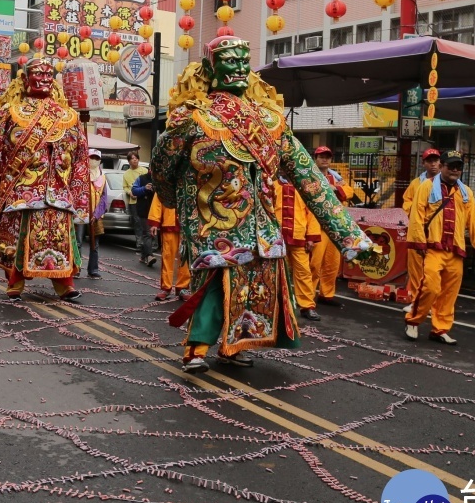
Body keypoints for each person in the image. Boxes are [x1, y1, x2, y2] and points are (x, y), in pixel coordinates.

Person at [150, 35, 370, 373]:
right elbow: (163, 168)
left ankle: (235, 346)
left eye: (243, 59)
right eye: (229, 59)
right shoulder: (194, 118)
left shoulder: (270, 123)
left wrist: (348, 235)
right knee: (214, 287)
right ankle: (196, 348)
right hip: (214, 225)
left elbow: (309, 178)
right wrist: (181, 206)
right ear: (211, 66)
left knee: (254, 290)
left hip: (262, 228)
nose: (238, 66)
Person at [0, 56, 90, 303]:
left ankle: (65, 283)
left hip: (59, 192)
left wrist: (80, 199)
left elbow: (81, 160)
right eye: (38, 73)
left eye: (48, 74)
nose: (44, 78)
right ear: (25, 78)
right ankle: (15, 282)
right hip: (22, 190)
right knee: (22, 240)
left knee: (60, 240)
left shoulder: (68, 115)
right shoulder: (10, 112)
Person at [404, 150, 475, 344]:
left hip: (455, 250)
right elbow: (416, 217)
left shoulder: (465, 192)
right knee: (430, 287)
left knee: (449, 292)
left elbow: (474, 219)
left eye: (458, 167)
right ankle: (413, 321)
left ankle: (440, 328)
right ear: (442, 166)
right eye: (450, 166)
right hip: (433, 248)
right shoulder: (425, 187)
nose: (454, 170)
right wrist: (419, 241)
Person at [308, 146, 353, 316]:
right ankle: (308, 296)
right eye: (321, 156)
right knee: (315, 263)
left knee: (332, 263)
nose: (324, 159)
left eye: (327, 156)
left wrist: (336, 189)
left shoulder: (336, 177)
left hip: (334, 227)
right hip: (317, 225)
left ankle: (327, 294)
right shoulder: (310, 176)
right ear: (315, 158)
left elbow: (349, 191)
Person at [276, 175, 322, 320]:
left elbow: (312, 214)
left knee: (303, 272)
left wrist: (311, 237)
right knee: (275, 273)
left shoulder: (305, 187)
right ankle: (273, 306)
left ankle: (307, 306)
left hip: (299, 237)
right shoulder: (271, 184)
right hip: (276, 239)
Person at [402, 148, 441, 306]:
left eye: (436, 160)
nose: (433, 164)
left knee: (435, 270)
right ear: (423, 163)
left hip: (436, 233)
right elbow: (406, 203)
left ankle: (433, 303)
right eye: (429, 161)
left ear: (440, 162)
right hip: (418, 230)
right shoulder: (416, 183)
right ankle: (417, 301)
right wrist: (418, 210)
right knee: (417, 269)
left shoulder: (446, 182)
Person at [148, 193, 189, 301]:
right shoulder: (165, 181)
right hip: (168, 223)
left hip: (187, 225)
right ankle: (166, 288)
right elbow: (158, 201)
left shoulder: (190, 181)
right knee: (167, 256)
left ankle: (183, 287)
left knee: (185, 257)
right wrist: (154, 223)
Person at [77, 148, 107, 280]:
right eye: (91, 157)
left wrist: (97, 213)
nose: (93, 161)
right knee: (77, 242)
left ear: (99, 161)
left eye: (96, 158)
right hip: (81, 214)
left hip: (96, 215)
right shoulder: (81, 175)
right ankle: (76, 268)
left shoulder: (103, 177)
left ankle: (93, 269)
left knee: (95, 244)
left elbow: (104, 198)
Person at [123, 151, 156, 266]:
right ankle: (150, 255)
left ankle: (143, 253)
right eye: (132, 158)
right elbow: (132, 189)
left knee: (148, 231)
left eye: (136, 158)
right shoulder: (140, 177)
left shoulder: (160, 180)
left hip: (156, 209)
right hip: (141, 206)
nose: (134, 160)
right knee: (144, 230)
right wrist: (144, 188)